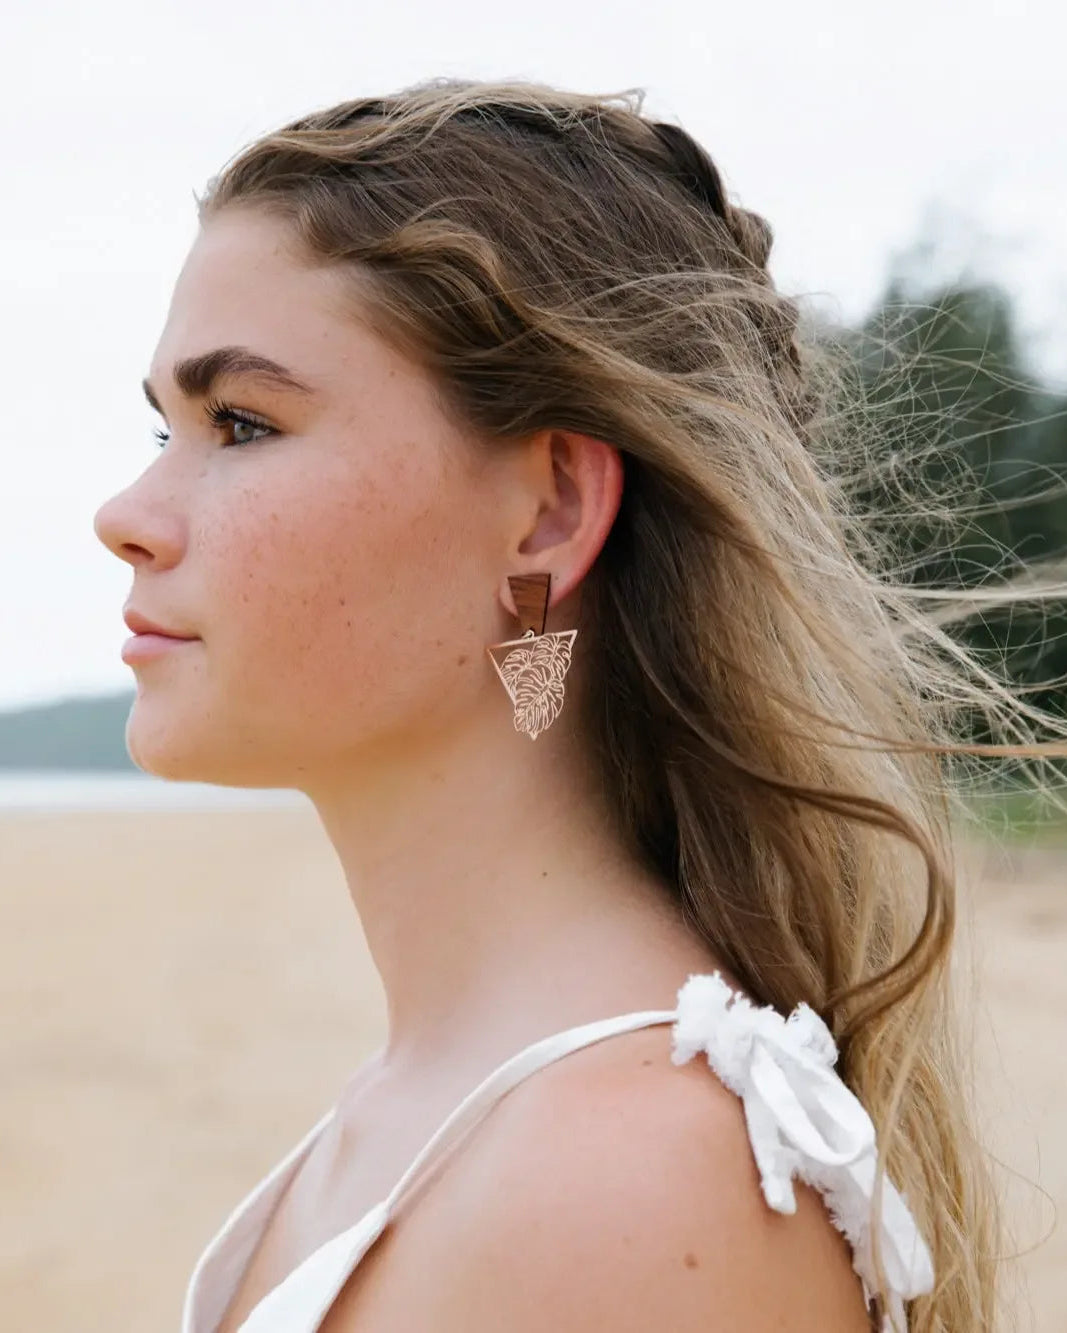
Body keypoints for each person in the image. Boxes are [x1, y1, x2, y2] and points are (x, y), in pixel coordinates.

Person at [92, 78, 1065, 1332]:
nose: (125, 516)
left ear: (549, 511)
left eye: (240, 423)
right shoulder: (454, 1108)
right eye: (164, 429)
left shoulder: (623, 1189)